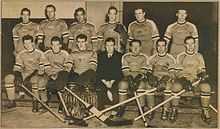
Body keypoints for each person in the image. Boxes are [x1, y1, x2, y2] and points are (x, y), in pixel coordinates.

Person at [4, 35, 49, 112]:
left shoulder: (40, 53)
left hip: (37, 74)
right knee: (8, 78)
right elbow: (17, 67)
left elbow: (41, 69)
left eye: (29, 43)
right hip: (25, 73)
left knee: (34, 80)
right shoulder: (21, 54)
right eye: (25, 44)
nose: (27, 45)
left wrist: (29, 77)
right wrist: (18, 76)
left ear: (33, 43)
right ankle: (12, 101)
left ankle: (35, 102)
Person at [172, 36, 211, 123]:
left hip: (195, 81)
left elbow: (202, 70)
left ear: (194, 44)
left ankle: (205, 111)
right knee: (175, 87)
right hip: (184, 81)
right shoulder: (180, 56)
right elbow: (177, 72)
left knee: (206, 87)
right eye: (188, 44)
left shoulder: (199, 56)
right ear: (185, 45)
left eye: (192, 44)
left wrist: (202, 75)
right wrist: (184, 81)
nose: (190, 46)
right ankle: (174, 110)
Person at [116, 39, 155, 120]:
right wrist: (130, 79)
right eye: (133, 46)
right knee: (122, 84)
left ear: (140, 47)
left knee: (141, 85)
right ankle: (121, 107)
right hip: (128, 78)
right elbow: (125, 71)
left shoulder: (144, 57)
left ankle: (141, 108)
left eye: (137, 46)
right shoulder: (125, 56)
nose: (135, 48)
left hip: (140, 78)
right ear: (130, 47)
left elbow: (143, 71)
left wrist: (137, 78)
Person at [68, 34, 97, 124]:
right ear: (76, 43)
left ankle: (87, 111)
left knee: (84, 87)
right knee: (72, 87)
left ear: (86, 42)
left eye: (82, 42)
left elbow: (93, 67)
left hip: (88, 75)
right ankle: (75, 112)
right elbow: (68, 66)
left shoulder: (92, 52)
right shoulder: (73, 53)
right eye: (79, 42)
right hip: (77, 75)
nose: (81, 44)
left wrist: (82, 77)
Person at [148, 38, 177, 121]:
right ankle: (151, 109)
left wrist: (165, 79)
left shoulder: (171, 58)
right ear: (156, 47)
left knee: (168, 87)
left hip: (166, 79)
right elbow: (148, 72)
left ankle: (165, 110)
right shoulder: (152, 58)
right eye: (159, 46)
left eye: (163, 46)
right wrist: (151, 77)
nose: (161, 48)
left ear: (166, 47)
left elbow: (172, 74)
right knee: (149, 85)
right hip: (155, 79)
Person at [44, 36, 72, 112]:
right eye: (53, 45)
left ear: (60, 45)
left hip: (61, 73)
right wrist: (50, 74)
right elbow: (45, 66)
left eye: (57, 45)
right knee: (43, 81)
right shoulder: (47, 53)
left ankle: (62, 104)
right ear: (51, 46)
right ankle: (45, 102)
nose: (55, 47)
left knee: (62, 81)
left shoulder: (65, 54)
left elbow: (68, 67)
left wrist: (59, 74)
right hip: (50, 74)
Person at [96, 37, 123, 110]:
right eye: (107, 46)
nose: (109, 48)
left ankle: (116, 109)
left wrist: (111, 82)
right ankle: (100, 109)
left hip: (115, 79)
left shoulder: (119, 56)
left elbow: (119, 71)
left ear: (114, 46)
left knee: (115, 90)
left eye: (111, 45)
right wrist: (105, 82)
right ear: (105, 46)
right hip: (103, 79)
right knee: (99, 88)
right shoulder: (100, 56)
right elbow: (99, 70)